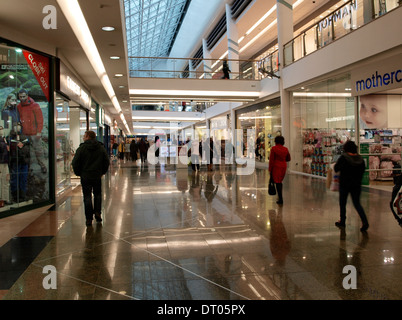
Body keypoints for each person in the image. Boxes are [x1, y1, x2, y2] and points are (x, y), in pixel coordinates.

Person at [72, 131, 110, 226]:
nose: (83, 138)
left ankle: (89, 218)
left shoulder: (82, 148)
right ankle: (97, 213)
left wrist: (78, 173)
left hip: (85, 176)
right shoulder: (100, 148)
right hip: (97, 175)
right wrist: (102, 172)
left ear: (88, 137)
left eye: (84, 136)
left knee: (87, 196)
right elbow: (106, 161)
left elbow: (75, 162)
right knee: (97, 195)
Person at [334, 140, 369, 232]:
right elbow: (362, 171)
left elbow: (336, 168)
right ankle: (365, 221)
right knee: (357, 204)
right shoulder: (360, 159)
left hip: (344, 184)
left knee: (343, 203)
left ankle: (343, 221)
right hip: (356, 185)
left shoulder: (344, 158)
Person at [8, 122, 30, 202]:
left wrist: (27, 159)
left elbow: (28, 149)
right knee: (15, 179)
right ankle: (15, 196)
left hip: (23, 161)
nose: (18, 127)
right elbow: (10, 150)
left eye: (19, 126)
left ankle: (22, 195)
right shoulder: (10, 137)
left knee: (23, 179)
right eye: (16, 126)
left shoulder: (24, 137)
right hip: (15, 161)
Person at [268, 135, 291, 205]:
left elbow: (271, 160)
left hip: (276, 166)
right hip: (283, 166)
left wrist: (270, 169)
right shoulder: (285, 149)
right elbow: (288, 158)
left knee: (277, 182)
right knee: (279, 181)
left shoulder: (274, 149)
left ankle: (280, 198)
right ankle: (280, 197)